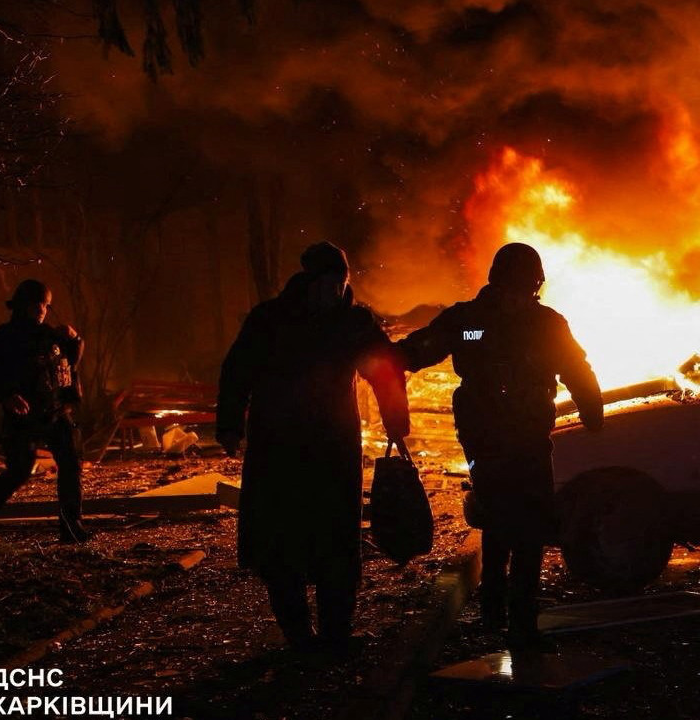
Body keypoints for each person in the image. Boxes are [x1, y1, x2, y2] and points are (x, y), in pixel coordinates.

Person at [398, 242, 603, 652]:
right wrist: (384, 356)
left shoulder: (545, 323)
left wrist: (592, 410)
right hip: (484, 435)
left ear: (534, 286)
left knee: (529, 522)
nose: (518, 295)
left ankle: (519, 616)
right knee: (497, 513)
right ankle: (496, 609)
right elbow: (421, 348)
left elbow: (576, 368)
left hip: (528, 435)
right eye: (515, 286)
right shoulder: (467, 319)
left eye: (524, 288)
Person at [217, 241, 409, 653]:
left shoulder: (354, 324)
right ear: (310, 280)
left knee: (336, 541)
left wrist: (396, 422)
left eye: (340, 282)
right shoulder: (270, 320)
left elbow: (386, 370)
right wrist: (230, 425)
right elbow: (237, 371)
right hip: (278, 447)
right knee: (281, 543)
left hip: (333, 447)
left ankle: (337, 633)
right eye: (327, 282)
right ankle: (298, 636)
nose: (334, 290)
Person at [0, 280, 88, 543]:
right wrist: (6, 396)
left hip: (55, 411)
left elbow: (71, 363)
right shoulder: (2, 338)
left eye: (46, 305)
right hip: (23, 415)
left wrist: (75, 340)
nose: (42, 310)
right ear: (22, 305)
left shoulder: (50, 335)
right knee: (20, 470)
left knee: (70, 463)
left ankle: (71, 525)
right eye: (37, 304)